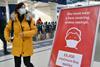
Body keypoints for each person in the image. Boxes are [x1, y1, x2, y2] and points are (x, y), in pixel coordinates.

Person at [4, 2, 37, 67]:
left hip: (27, 45)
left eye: (24, 7)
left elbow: (34, 30)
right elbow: (7, 29)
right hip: (17, 44)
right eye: (22, 7)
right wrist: (8, 38)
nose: (23, 9)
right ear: (17, 9)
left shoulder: (29, 19)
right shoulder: (13, 19)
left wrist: (25, 34)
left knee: (27, 63)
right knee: (17, 64)